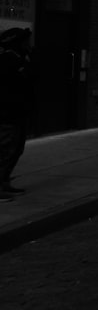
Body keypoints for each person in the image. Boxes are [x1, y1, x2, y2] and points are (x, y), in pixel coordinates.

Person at [0, 28, 33, 201]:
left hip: (18, 113)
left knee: (16, 150)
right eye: (26, 41)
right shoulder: (7, 61)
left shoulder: (21, 59)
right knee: (6, 150)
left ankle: (4, 182)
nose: (29, 44)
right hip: (8, 115)